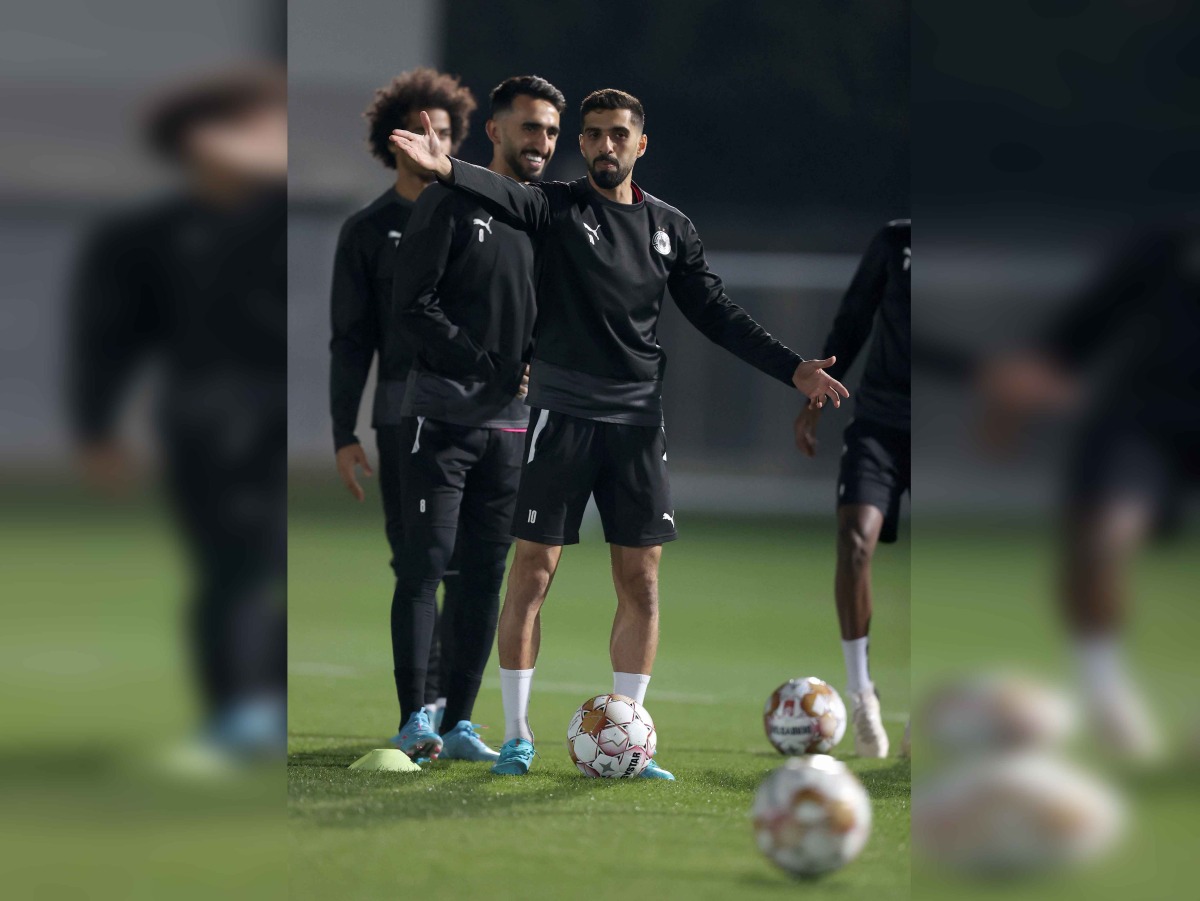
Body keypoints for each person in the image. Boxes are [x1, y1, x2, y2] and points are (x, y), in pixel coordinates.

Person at [390, 89, 849, 778]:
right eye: (594, 135)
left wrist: (794, 371)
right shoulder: (556, 207)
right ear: (584, 143)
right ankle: (517, 735)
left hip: (637, 423)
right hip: (560, 414)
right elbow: (501, 193)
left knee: (641, 580)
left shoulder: (671, 227)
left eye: (618, 135)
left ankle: (633, 741)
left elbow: (716, 313)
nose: (605, 146)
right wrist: (447, 167)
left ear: (641, 144)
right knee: (533, 572)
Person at [69, 68, 288, 762]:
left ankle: (267, 702)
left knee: (282, 560)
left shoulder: (283, 217)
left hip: (286, 409)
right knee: (235, 561)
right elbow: (106, 339)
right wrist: (97, 428)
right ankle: (237, 714)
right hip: (204, 413)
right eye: (255, 123)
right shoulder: (144, 235)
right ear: (202, 140)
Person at [389, 75, 565, 762]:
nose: (541, 142)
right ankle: (415, 718)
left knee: (486, 575)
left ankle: (460, 723)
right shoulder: (447, 204)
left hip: (513, 427)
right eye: (529, 127)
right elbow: (411, 305)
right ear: (495, 131)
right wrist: (478, 360)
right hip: (441, 416)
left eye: (551, 130)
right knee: (425, 567)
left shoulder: (543, 218)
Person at [329, 69, 475, 731]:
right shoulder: (367, 231)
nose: (430, 141)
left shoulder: (481, 218)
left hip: (480, 415)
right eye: (418, 130)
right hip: (399, 414)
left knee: (473, 564)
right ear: (392, 141)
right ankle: (430, 703)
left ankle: (454, 710)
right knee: (418, 560)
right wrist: (343, 430)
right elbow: (351, 339)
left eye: (442, 133)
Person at [794, 220, 911, 758]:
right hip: (882, 425)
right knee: (854, 541)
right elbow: (852, 322)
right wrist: (814, 401)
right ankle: (862, 692)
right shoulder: (896, 241)